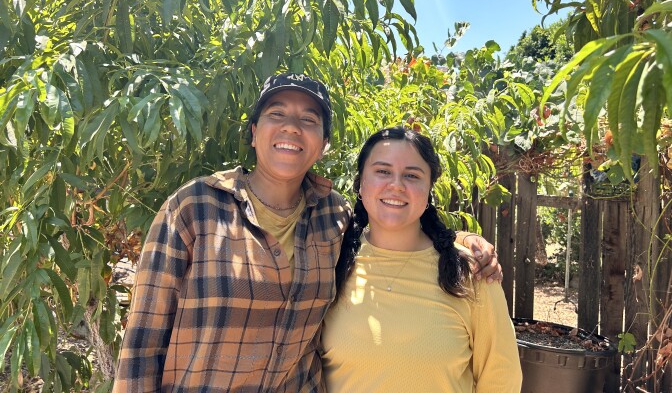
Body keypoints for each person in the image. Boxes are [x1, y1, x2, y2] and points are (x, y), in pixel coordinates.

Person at [113, 74, 501, 392]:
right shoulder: (194, 208)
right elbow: (142, 343)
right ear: (253, 132)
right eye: (276, 113)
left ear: (323, 145)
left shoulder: (333, 217)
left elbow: (397, 228)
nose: (291, 127)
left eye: (309, 120)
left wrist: (464, 242)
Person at [321, 127, 521, 392]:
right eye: (382, 171)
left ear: (429, 190)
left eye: (412, 176)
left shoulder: (470, 271)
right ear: (360, 184)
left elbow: (501, 378)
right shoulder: (331, 262)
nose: (396, 185)